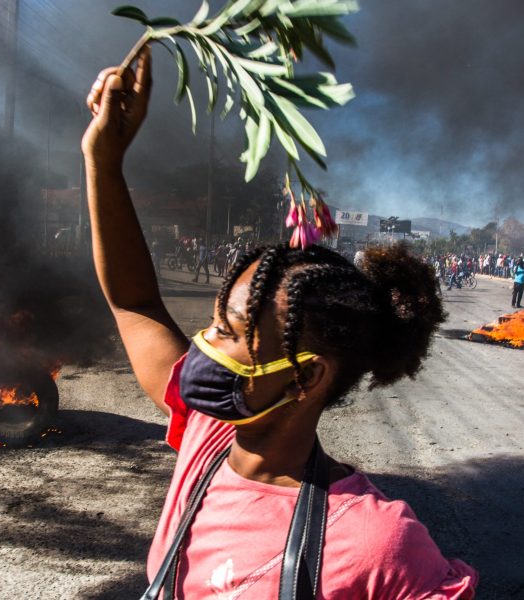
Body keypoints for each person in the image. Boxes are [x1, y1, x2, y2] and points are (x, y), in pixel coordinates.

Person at [82, 47, 478, 599]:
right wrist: (103, 160)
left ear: (305, 378)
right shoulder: (208, 436)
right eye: (216, 322)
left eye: (231, 333)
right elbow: (136, 303)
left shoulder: (377, 544)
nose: (202, 345)